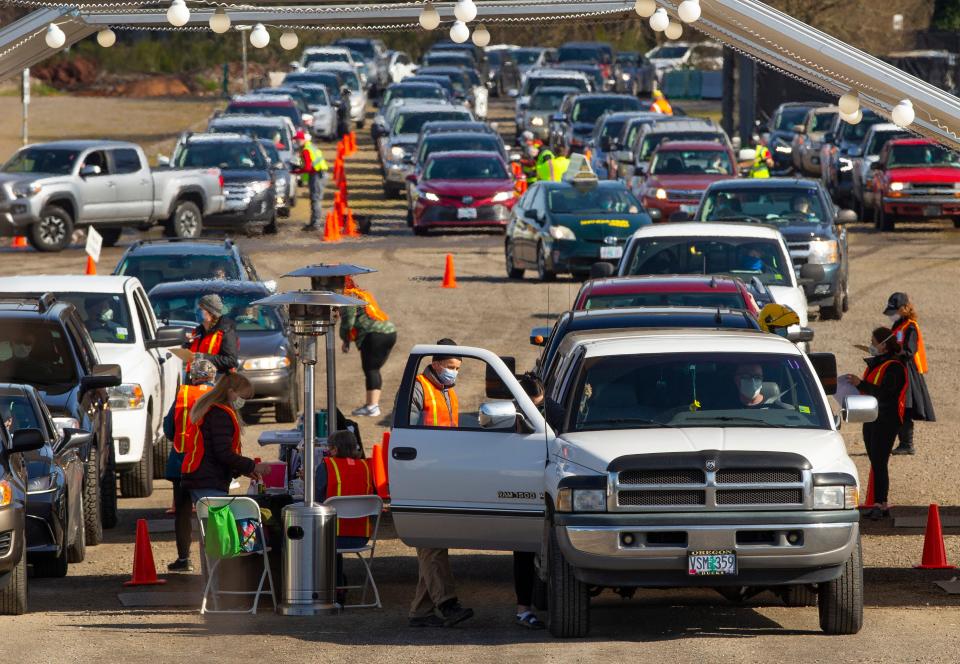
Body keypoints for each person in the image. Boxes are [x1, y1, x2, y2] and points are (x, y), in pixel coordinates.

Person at [407, 339, 473, 627]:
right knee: (432, 543)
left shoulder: (447, 391)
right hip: (422, 474)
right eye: (450, 367)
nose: (454, 373)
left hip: (440, 473)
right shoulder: (420, 388)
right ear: (435, 364)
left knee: (432, 544)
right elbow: (408, 432)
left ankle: (420, 612)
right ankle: (447, 603)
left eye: (457, 368)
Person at [844, 327, 908, 519]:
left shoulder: (895, 366)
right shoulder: (878, 364)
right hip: (872, 418)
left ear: (884, 344)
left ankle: (881, 504)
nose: (871, 345)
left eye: (873, 342)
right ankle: (878, 503)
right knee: (875, 461)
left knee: (880, 462)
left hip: (887, 420)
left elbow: (886, 394)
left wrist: (860, 384)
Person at [180, 372, 271, 504]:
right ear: (231, 392)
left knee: (213, 521)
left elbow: (217, 451)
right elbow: (223, 453)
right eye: (242, 397)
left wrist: (242, 469)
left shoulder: (214, 410)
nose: (243, 401)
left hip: (202, 477)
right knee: (218, 523)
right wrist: (253, 467)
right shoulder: (220, 415)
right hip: (208, 479)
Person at [162, 359, 217, 572]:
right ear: (213, 376)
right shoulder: (218, 397)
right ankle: (213, 561)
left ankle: (184, 559)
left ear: (192, 377)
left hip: (181, 463)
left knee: (183, 513)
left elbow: (168, 429)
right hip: (209, 466)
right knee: (213, 513)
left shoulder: (182, 395)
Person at [314, 429, 374, 603]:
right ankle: (338, 583)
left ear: (334, 449)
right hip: (361, 537)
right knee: (333, 547)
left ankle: (322, 586)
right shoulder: (366, 466)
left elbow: (317, 501)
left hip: (333, 537)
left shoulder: (327, 466)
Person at [512, 373, 546, 630]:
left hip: (549, 489)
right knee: (523, 549)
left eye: (540, 406)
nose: (537, 412)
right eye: (530, 407)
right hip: (520, 490)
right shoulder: (507, 418)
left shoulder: (556, 412)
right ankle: (523, 608)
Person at [884, 293, 935, 455]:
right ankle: (901, 442)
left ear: (904, 309)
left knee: (905, 407)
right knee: (896, 407)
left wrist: (894, 352)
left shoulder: (911, 327)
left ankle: (907, 444)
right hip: (898, 369)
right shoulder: (898, 325)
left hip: (908, 372)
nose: (892, 316)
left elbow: (909, 351)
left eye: (895, 311)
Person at [340, 276, 397, 418]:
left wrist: (345, 338)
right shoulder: (361, 293)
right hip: (389, 331)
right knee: (374, 369)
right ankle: (372, 405)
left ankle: (372, 407)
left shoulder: (348, 297)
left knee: (371, 369)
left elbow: (348, 321)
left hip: (373, 334)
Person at [185, 294, 239, 376]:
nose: (196, 311)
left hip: (216, 383)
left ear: (211, 313)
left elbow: (231, 361)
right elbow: (193, 354)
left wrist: (203, 357)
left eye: (200, 309)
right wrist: (187, 344)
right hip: (196, 379)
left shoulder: (226, 331)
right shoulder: (198, 331)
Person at [294, 129, 329, 232]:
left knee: (315, 199)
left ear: (302, 140)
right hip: (320, 174)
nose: (296, 142)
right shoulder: (310, 147)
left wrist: (296, 171)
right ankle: (314, 222)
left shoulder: (305, 150)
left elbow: (308, 168)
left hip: (317, 175)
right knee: (316, 198)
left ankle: (315, 223)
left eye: (298, 140)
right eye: (296, 140)